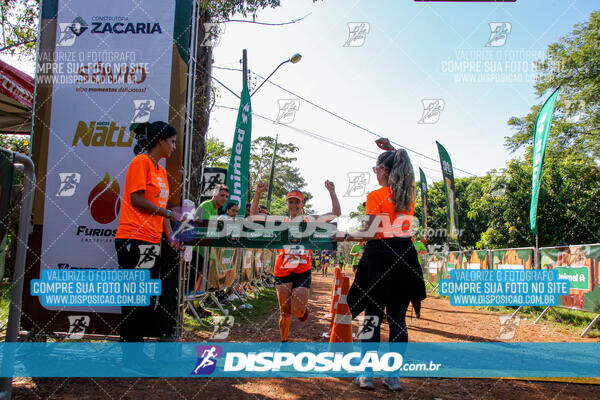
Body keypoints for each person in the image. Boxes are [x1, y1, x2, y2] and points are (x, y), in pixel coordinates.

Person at [333, 149, 426, 391]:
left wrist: (342, 235)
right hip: (405, 257)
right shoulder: (409, 195)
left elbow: (369, 232)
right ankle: (393, 376)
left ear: (384, 170)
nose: (375, 174)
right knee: (398, 319)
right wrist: (392, 149)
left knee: (371, 317)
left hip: (378, 258)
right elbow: (405, 168)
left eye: (376, 169)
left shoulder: (376, 195)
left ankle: (366, 374)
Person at [114, 121, 181, 345]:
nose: (174, 146)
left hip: (152, 241)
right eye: (171, 142)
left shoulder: (161, 172)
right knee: (135, 300)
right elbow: (137, 199)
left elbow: (162, 213)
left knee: (146, 299)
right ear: (160, 140)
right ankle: (130, 357)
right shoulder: (141, 162)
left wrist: (170, 236)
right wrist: (167, 212)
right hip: (133, 238)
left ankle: (137, 354)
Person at [251, 181, 340, 342]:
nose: (293, 204)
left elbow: (335, 213)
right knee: (284, 312)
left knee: (297, 311)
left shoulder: (309, 220)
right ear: (287, 203)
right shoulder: (281, 221)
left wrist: (332, 191)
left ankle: (303, 311)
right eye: (290, 201)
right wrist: (257, 193)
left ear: (301, 204)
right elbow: (254, 217)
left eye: (296, 202)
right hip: (282, 269)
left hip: (302, 270)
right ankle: (283, 343)